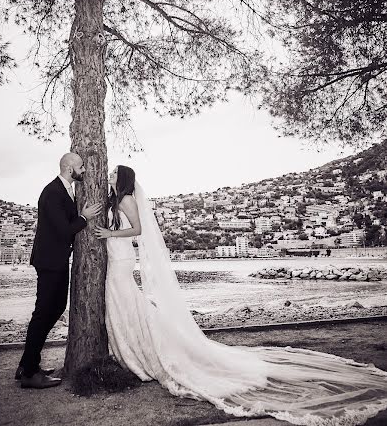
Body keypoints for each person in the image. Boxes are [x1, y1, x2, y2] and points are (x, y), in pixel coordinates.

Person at [96, 165, 387, 426]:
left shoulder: (126, 199)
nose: (108, 175)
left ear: (121, 179)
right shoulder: (114, 199)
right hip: (116, 258)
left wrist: (109, 235)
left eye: (112, 173)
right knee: (125, 304)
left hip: (121, 260)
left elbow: (138, 229)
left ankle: (139, 352)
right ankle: (131, 349)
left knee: (126, 301)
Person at [17, 153, 102, 389]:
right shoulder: (52, 192)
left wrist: (79, 214)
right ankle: (29, 372)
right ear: (68, 168)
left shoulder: (66, 190)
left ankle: (26, 364)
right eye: (81, 166)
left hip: (56, 259)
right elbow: (65, 231)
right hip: (49, 261)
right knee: (44, 312)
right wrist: (84, 217)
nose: (84, 170)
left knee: (54, 309)